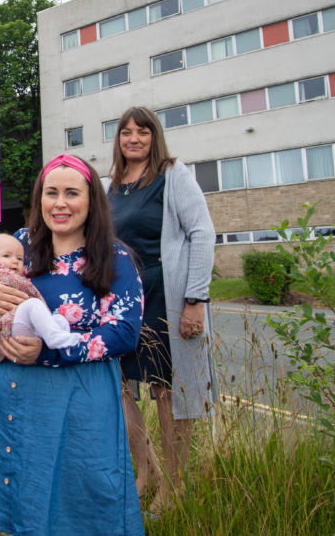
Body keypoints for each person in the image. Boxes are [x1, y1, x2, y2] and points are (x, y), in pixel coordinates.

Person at [0, 153, 145, 536]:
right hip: (15, 391)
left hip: (81, 396)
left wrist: (51, 351)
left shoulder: (113, 257)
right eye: (51, 193)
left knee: (84, 495)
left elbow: (125, 331)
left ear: (92, 201)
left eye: (72, 193)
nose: (60, 203)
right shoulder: (20, 244)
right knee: (25, 491)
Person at [107, 106, 217, 512]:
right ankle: (146, 470)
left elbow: (203, 234)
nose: (134, 138)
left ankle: (175, 484)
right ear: (118, 139)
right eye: (126, 132)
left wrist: (195, 300)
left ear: (155, 137)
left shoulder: (174, 175)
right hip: (123, 298)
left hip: (165, 295)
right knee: (119, 387)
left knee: (166, 392)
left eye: (143, 132)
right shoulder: (112, 186)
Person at [0, 233, 80, 363]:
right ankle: (53, 337)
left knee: (59, 320)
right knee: (33, 303)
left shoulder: (15, 275)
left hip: (22, 326)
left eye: (19, 259)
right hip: (7, 325)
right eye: (6, 256)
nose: (14, 261)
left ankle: (57, 337)